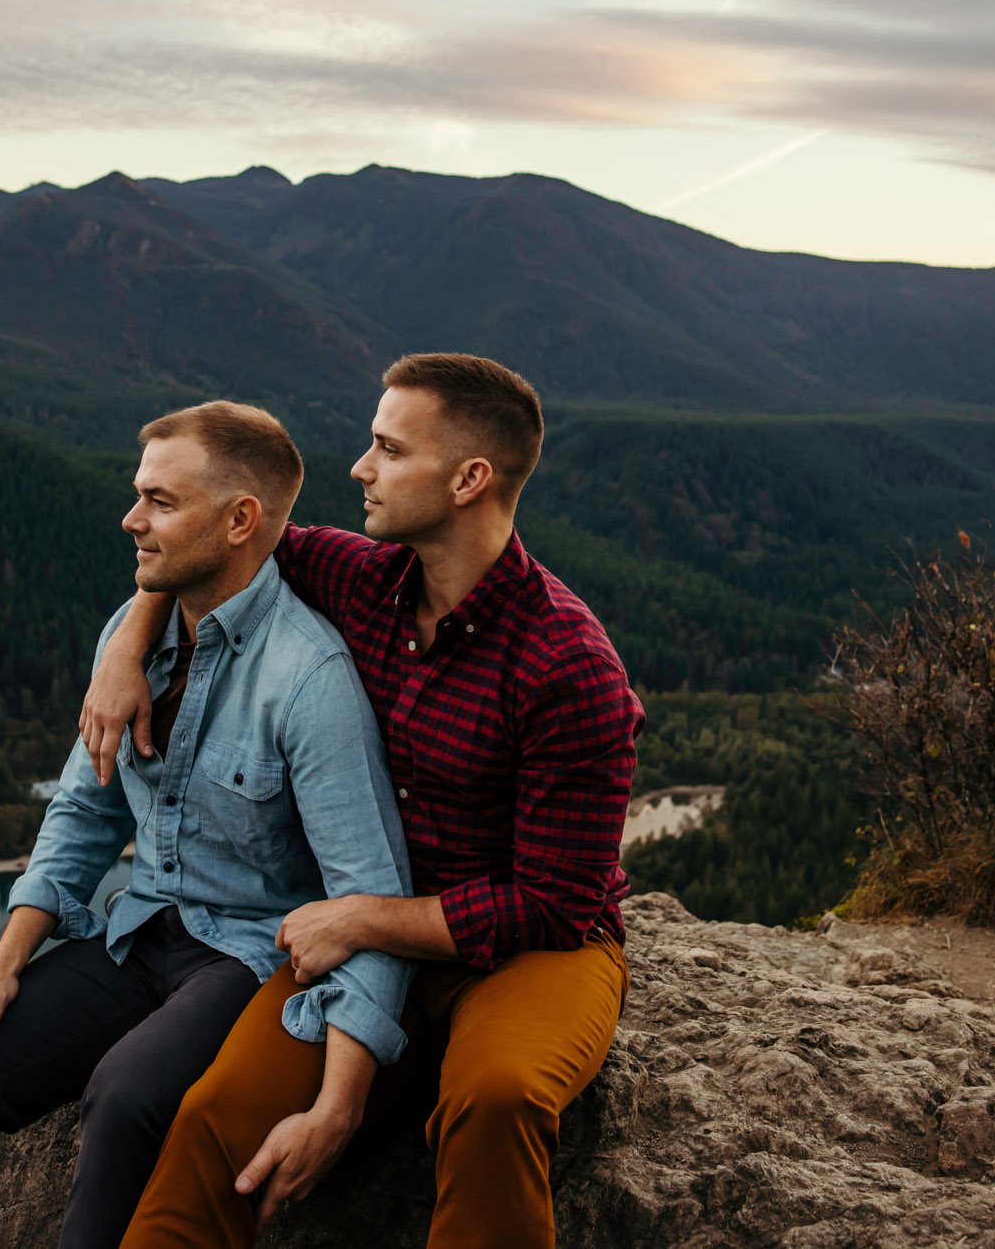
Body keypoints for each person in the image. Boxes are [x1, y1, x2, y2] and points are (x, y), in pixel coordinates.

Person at [79, 354, 645, 1248]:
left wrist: (366, 920)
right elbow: (211, 554)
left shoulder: (569, 666)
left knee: (494, 1100)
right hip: (369, 939)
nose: (359, 468)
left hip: (530, 951)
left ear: (468, 480)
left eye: (388, 447)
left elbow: (555, 901)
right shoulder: (361, 577)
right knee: (215, 1118)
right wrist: (128, 647)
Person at [0, 401, 414, 1249]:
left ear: (241, 521)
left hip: (246, 952)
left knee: (126, 1097)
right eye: (138, 495)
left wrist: (343, 1097)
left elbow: (369, 897)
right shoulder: (132, 636)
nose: (131, 519)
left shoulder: (310, 681)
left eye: (160, 501)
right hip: (141, 930)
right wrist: (7, 962)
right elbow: (87, 807)